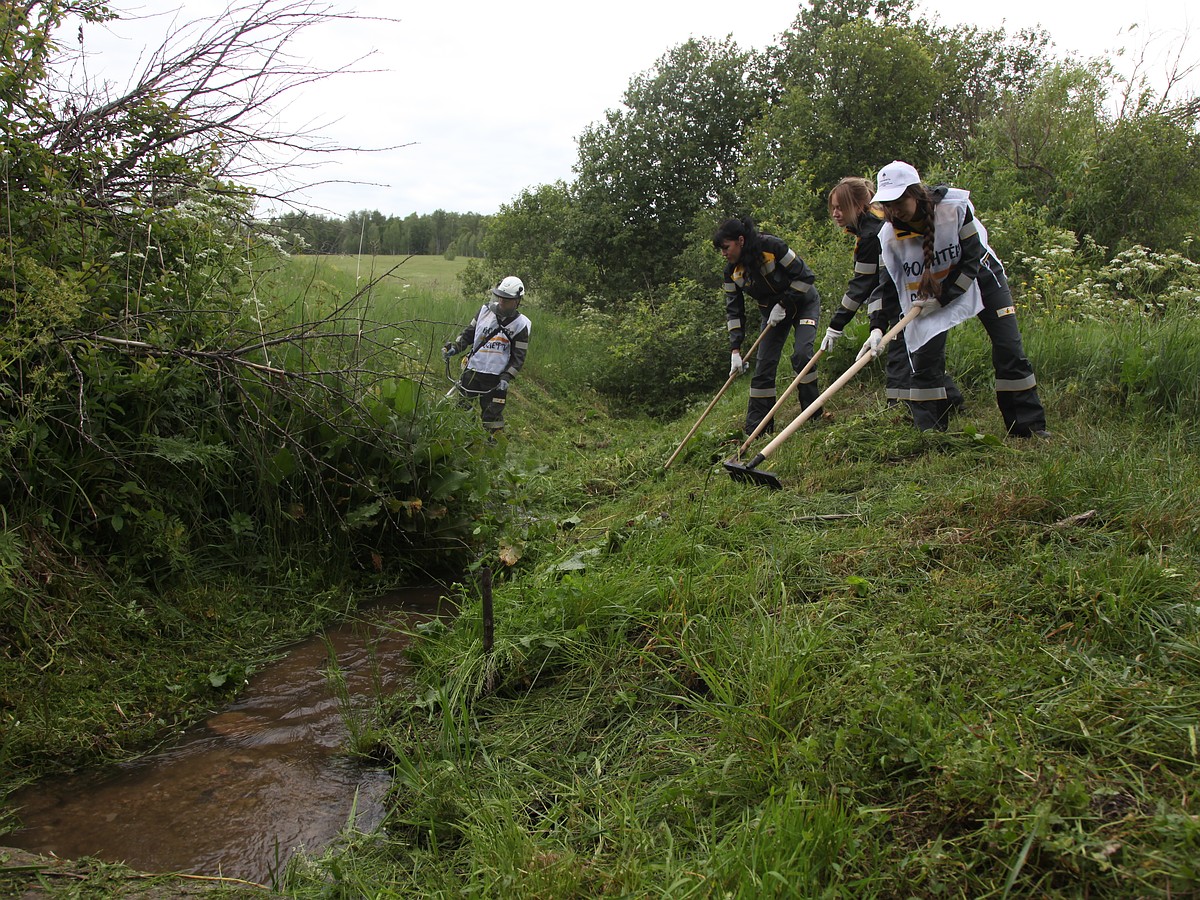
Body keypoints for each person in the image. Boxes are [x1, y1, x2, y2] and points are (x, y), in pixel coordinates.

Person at [863, 161, 1049, 437]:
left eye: (900, 200)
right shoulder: (888, 237)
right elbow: (886, 285)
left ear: (916, 193)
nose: (894, 209)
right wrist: (877, 327)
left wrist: (943, 298)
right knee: (924, 356)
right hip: (928, 294)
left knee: (1009, 349)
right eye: (888, 203)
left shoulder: (955, 209)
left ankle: (1028, 428)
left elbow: (972, 260)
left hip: (981, 280)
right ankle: (931, 433)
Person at [822, 176, 964, 411]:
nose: (835, 213)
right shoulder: (866, 228)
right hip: (900, 292)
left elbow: (864, 285)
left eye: (841, 207)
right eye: (833, 208)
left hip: (906, 292)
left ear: (858, 206)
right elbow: (874, 282)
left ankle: (898, 409)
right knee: (914, 351)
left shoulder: (871, 233)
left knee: (902, 352)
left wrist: (838, 324)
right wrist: (875, 324)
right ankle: (948, 400)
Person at [712, 217, 822, 436]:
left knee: (802, 355)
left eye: (726, 247)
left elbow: (806, 276)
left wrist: (784, 303)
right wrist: (735, 349)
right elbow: (734, 312)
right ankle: (759, 430)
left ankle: (813, 416)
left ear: (740, 240)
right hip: (773, 317)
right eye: (721, 250)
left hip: (802, 303)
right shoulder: (731, 273)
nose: (724, 253)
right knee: (763, 369)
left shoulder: (772, 246)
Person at [443, 276, 531, 437]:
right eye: (500, 297)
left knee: (492, 417)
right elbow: (468, 334)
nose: (502, 302)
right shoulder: (484, 311)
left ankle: (493, 451)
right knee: (463, 408)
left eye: (507, 299)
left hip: (495, 379)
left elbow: (519, 358)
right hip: (472, 371)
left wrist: (506, 377)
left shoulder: (521, 325)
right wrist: (455, 348)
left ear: (517, 301)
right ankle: (463, 442)